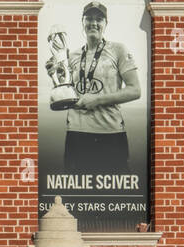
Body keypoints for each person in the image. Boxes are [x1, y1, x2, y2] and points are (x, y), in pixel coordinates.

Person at [47, 2, 141, 179]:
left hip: (110, 134)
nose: (94, 23)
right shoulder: (72, 56)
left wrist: (97, 100)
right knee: (76, 196)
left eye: (99, 19)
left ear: (106, 23)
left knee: (115, 195)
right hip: (76, 134)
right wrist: (56, 76)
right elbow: (69, 92)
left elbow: (135, 90)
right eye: (89, 18)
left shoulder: (119, 50)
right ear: (82, 22)